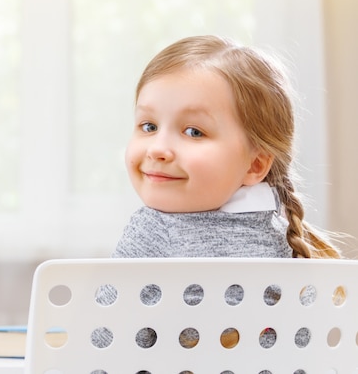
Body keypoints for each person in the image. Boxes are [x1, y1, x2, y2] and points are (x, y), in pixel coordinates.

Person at [94, 35, 342, 351]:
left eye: (194, 131)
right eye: (148, 126)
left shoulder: (154, 229)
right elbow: (301, 343)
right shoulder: (283, 232)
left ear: (255, 164)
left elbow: (103, 342)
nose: (158, 149)